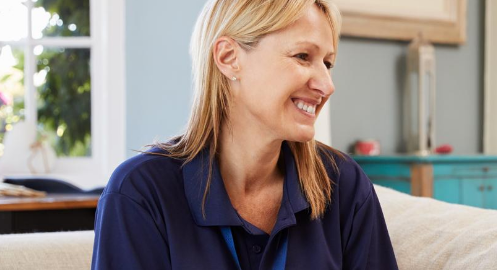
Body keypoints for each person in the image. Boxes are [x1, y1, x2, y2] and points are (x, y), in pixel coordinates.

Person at [91, 1, 398, 269]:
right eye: (303, 56)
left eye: (328, 63)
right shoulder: (139, 195)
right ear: (228, 57)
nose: (327, 85)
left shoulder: (344, 186)